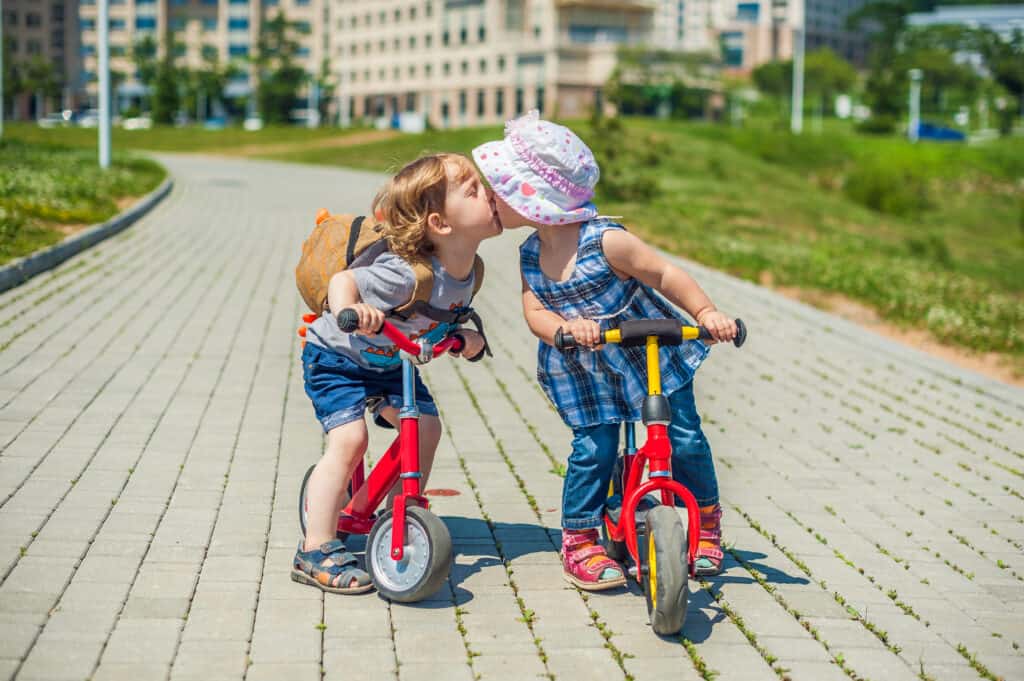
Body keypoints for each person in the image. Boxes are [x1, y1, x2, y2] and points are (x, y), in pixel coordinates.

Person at [472, 112, 738, 590]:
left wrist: (707, 313)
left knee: (684, 438)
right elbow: (534, 310)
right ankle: (580, 537)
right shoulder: (531, 253)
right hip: (586, 368)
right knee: (593, 450)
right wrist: (562, 329)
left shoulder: (607, 241)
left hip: (647, 356)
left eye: (501, 190)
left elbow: (664, 275)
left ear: (536, 201)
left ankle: (706, 524)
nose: (492, 198)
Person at [292, 153, 503, 593]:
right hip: (339, 358)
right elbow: (343, 282)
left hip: (392, 363)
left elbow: (445, 317)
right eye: (473, 189)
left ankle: (401, 511)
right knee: (351, 441)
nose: (490, 192)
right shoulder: (403, 274)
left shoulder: (469, 271)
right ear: (441, 224)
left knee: (426, 427)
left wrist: (466, 338)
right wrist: (351, 307)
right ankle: (314, 548)